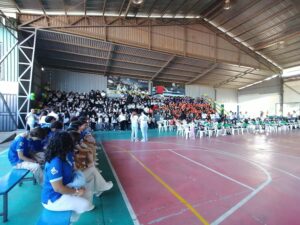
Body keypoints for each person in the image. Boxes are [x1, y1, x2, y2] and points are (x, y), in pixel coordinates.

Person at [42, 132, 93, 222]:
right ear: (65, 145)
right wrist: (76, 191)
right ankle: (70, 219)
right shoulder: (55, 162)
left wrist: (77, 186)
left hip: (66, 187)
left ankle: (72, 216)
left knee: (88, 193)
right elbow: (58, 188)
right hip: (54, 198)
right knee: (85, 204)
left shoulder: (64, 155)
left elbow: (72, 170)